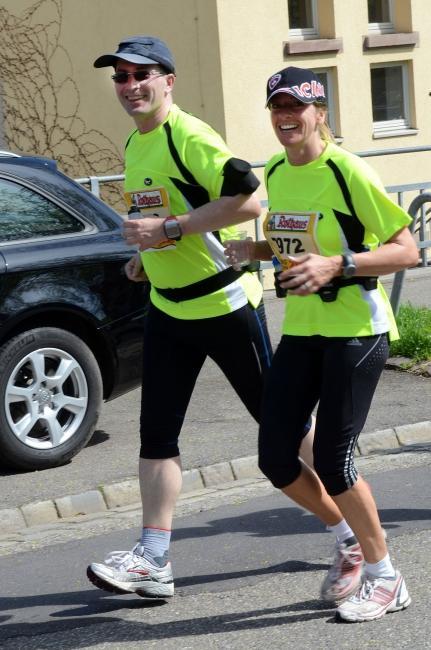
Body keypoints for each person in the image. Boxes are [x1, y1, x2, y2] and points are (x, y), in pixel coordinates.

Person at [87, 36, 316, 600]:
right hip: (169, 308)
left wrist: (167, 232)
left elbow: (249, 201)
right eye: (120, 76)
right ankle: (154, 559)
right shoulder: (135, 143)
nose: (130, 85)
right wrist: (147, 257)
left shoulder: (187, 135)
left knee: (281, 428)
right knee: (156, 437)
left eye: (142, 74)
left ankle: (351, 524)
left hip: (225, 306)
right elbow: (166, 214)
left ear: (168, 80)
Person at [225, 66, 418, 623]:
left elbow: (407, 250)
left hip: (357, 331)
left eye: (297, 106)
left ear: (320, 112)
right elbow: (292, 242)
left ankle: (387, 577)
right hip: (304, 330)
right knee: (273, 456)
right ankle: (348, 538)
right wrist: (253, 253)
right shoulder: (278, 171)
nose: (286, 116)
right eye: (276, 107)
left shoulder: (347, 170)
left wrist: (340, 263)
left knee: (335, 460)